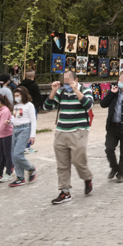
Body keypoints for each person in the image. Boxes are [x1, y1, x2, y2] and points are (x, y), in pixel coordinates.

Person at [43, 69, 94, 204]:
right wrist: (54, 91)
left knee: (78, 161)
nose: (66, 84)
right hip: (61, 131)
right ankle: (65, 192)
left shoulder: (85, 89)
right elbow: (46, 107)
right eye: (64, 82)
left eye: (69, 82)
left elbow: (89, 105)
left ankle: (87, 177)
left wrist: (76, 91)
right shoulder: (61, 92)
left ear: (76, 80)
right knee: (62, 164)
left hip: (79, 130)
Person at [8, 86, 37, 187]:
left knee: (17, 154)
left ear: (23, 95)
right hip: (15, 129)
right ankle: (20, 177)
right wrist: (10, 121)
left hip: (25, 129)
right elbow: (16, 118)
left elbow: (33, 120)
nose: (16, 97)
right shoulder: (16, 106)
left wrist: (32, 135)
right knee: (13, 155)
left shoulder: (29, 105)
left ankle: (30, 168)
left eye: (18, 95)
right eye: (14, 95)